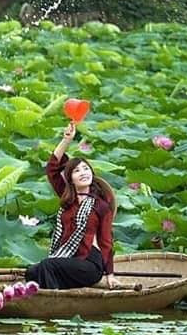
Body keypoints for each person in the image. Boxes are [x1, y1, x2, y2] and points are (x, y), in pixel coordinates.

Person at [25, 121, 120, 290]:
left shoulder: (100, 205)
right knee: (32, 272)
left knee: (48, 266)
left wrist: (110, 274)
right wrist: (66, 140)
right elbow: (52, 168)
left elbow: (106, 241)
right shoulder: (67, 197)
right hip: (68, 258)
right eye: (77, 171)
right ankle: (57, 290)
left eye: (86, 169)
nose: (83, 173)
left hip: (90, 263)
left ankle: (54, 300)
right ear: (70, 179)